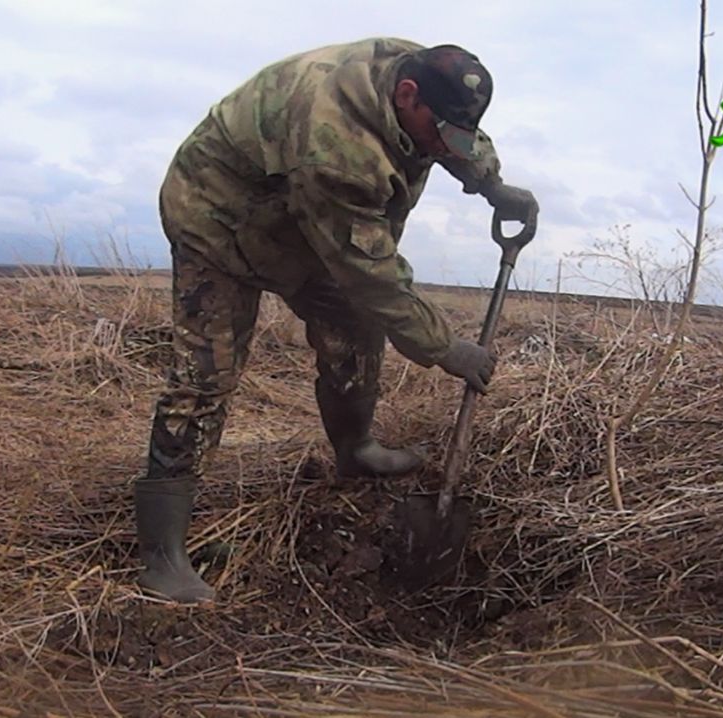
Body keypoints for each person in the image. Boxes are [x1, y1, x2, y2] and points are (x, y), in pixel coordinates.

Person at [135, 37, 540, 603]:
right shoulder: (336, 146)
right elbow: (370, 272)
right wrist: (446, 347)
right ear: (406, 95)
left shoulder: (421, 75)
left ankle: (355, 450)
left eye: (457, 134)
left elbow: (456, 131)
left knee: (355, 330)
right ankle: (161, 555)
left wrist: (490, 180)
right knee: (206, 374)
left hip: (301, 221)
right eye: (440, 132)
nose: (445, 146)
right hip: (218, 220)